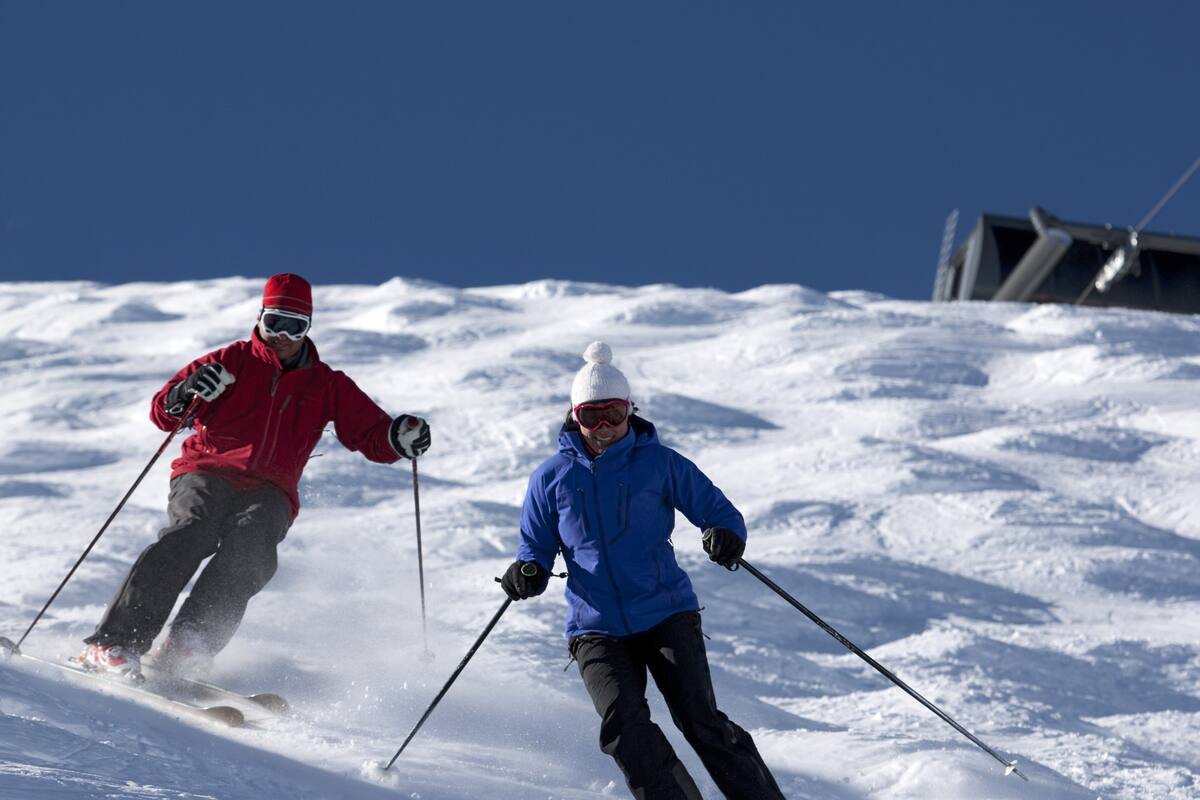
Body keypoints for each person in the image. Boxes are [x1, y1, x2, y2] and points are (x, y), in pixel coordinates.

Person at [81, 273, 431, 678]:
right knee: (191, 533)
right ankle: (115, 641)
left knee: (253, 551)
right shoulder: (230, 361)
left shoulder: (327, 385)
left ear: (307, 328)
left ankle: (190, 642)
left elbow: (372, 435)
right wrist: (187, 392)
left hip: (271, 490)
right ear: (260, 317)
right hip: (207, 470)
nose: (282, 335)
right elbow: (163, 412)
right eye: (274, 322)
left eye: (294, 326)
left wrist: (399, 438)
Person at [500, 341, 784, 800]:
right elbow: (535, 545)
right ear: (574, 416)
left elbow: (718, 511)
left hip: (665, 611)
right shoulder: (550, 478)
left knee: (700, 722)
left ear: (630, 410)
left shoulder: (660, 463)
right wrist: (528, 570)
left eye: (614, 413)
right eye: (592, 416)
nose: (605, 427)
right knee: (624, 729)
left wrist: (725, 534)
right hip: (595, 627)